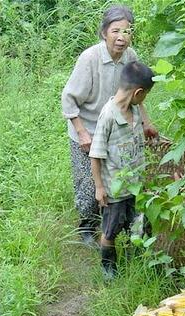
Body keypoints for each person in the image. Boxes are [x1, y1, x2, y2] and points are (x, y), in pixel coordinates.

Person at [61, 5, 157, 248]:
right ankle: (86, 226)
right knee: (90, 185)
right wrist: (82, 133)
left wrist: (146, 122)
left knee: (119, 179)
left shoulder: (130, 57)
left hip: (117, 130)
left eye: (127, 32)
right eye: (116, 31)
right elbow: (69, 99)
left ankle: (114, 224)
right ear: (104, 32)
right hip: (88, 129)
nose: (122, 38)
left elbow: (137, 93)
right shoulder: (90, 58)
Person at [88, 60, 155, 279]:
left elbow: (139, 120)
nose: (144, 100)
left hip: (135, 184)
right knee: (111, 229)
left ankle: (137, 260)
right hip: (114, 189)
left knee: (138, 223)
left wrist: (147, 126)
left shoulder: (134, 110)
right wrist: (99, 188)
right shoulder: (108, 116)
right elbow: (96, 155)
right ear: (138, 92)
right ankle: (108, 267)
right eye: (144, 95)